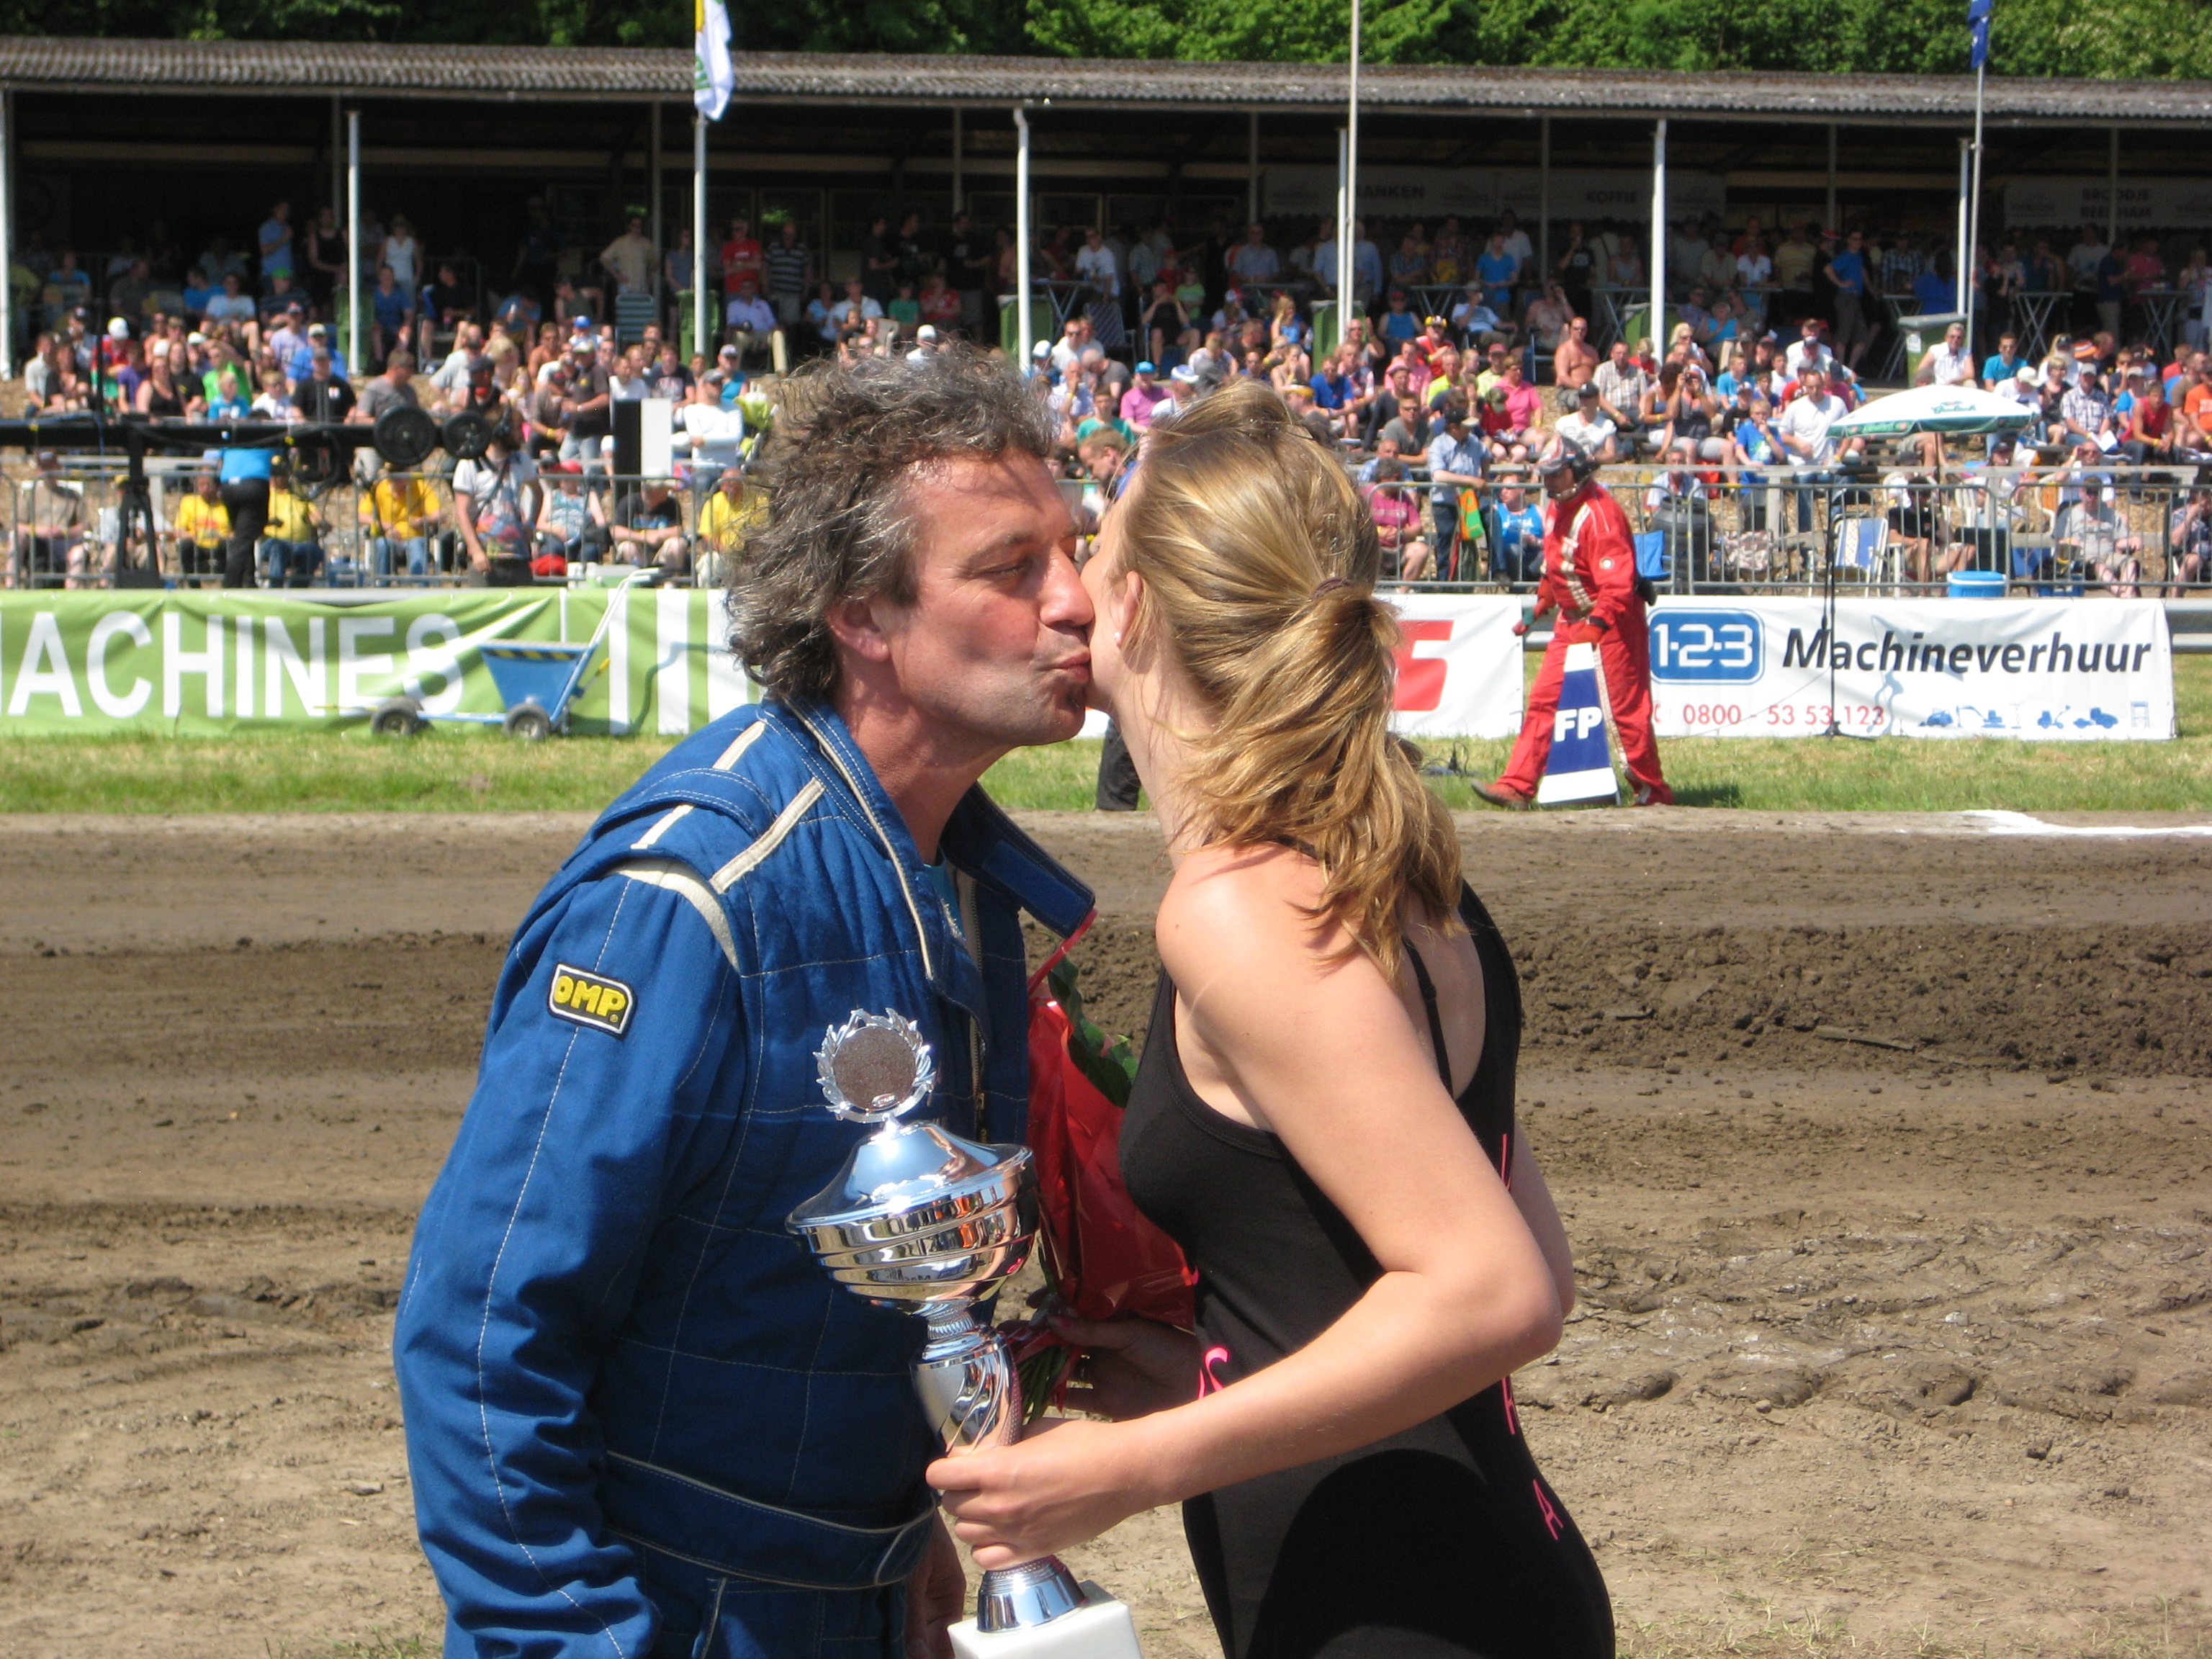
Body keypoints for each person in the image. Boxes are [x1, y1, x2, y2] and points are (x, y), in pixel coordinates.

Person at [394, 349, 1094, 1659]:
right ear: (862, 616)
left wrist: (898, 1537)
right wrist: (572, 1643)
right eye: (1013, 569)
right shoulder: (688, 895)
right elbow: (482, 1330)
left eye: (1074, 551)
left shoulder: (955, 870)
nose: (1078, 601)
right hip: (673, 1613)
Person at [931, 380, 1606, 1659]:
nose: (1068, 592)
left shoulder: (1240, 908)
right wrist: (1210, 1370)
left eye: (1096, 549)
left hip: (1395, 1607)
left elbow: (1498, 1289)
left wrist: (1130, 1467)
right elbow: (1517, 1266)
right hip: (1475, 1563)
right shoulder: (1398, 869)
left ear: (1138, 606)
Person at [1473, 445, 1673, 808]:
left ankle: (1652, 791)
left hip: (1612, 622)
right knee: (1544, 702)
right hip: (1572, 620)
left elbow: (1617, 585)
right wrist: (1544, 601)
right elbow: (1555, 561)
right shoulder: (1556, 507)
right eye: (1545, 475)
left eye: (1556, 474)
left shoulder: (1601, 515)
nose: (1548, 482)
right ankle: (1516, 786)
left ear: (1577, 471)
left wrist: (1596, 627)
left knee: (1623, 710)